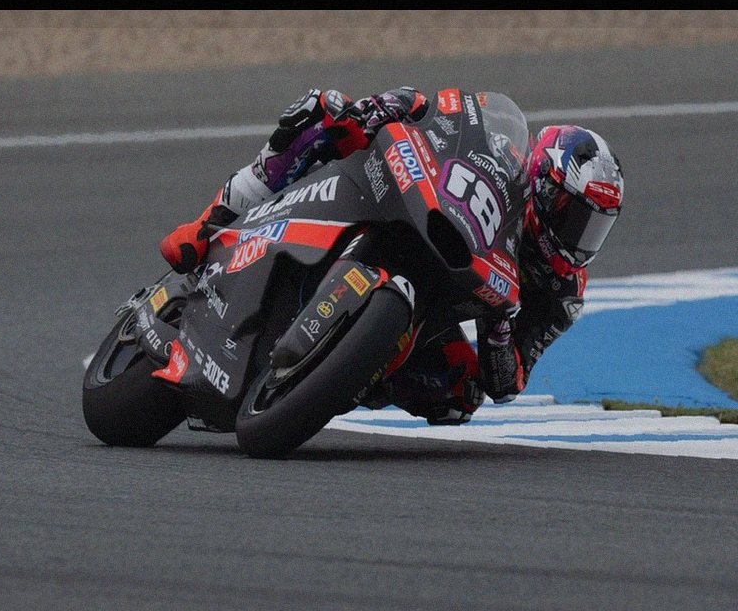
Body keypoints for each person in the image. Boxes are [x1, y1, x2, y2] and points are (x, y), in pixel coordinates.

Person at [159, 87, 624, 425]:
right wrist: (390, 106)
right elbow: (442, 112)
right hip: (406, 202)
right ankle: (209, 224)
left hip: (440, 303)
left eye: (595, 227)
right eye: (574, 216)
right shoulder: (506, 157)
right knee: (324, 109)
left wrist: (500, 324)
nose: (580, 238)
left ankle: (349, 373)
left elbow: (508, 383)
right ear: (544, 185)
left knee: (462, 395)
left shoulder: (562, 293)